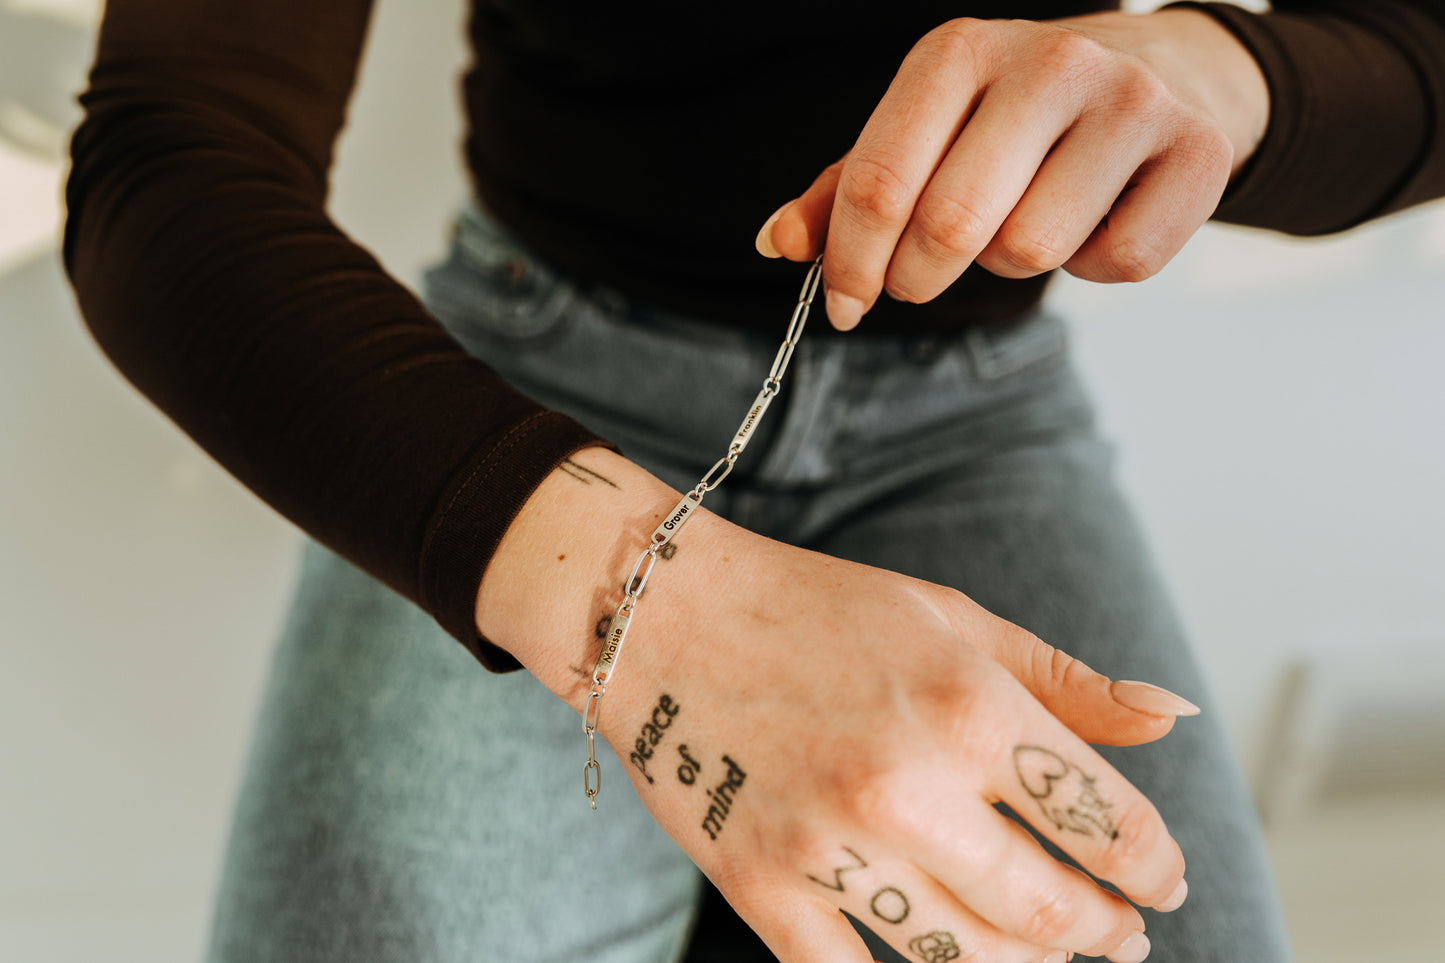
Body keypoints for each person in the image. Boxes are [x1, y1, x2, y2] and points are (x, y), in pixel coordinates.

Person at [64, 1, 1443, 961]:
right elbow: (168, 156)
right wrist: (651, 614)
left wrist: (1216, 68)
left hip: (980, 418)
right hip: (524, 381)